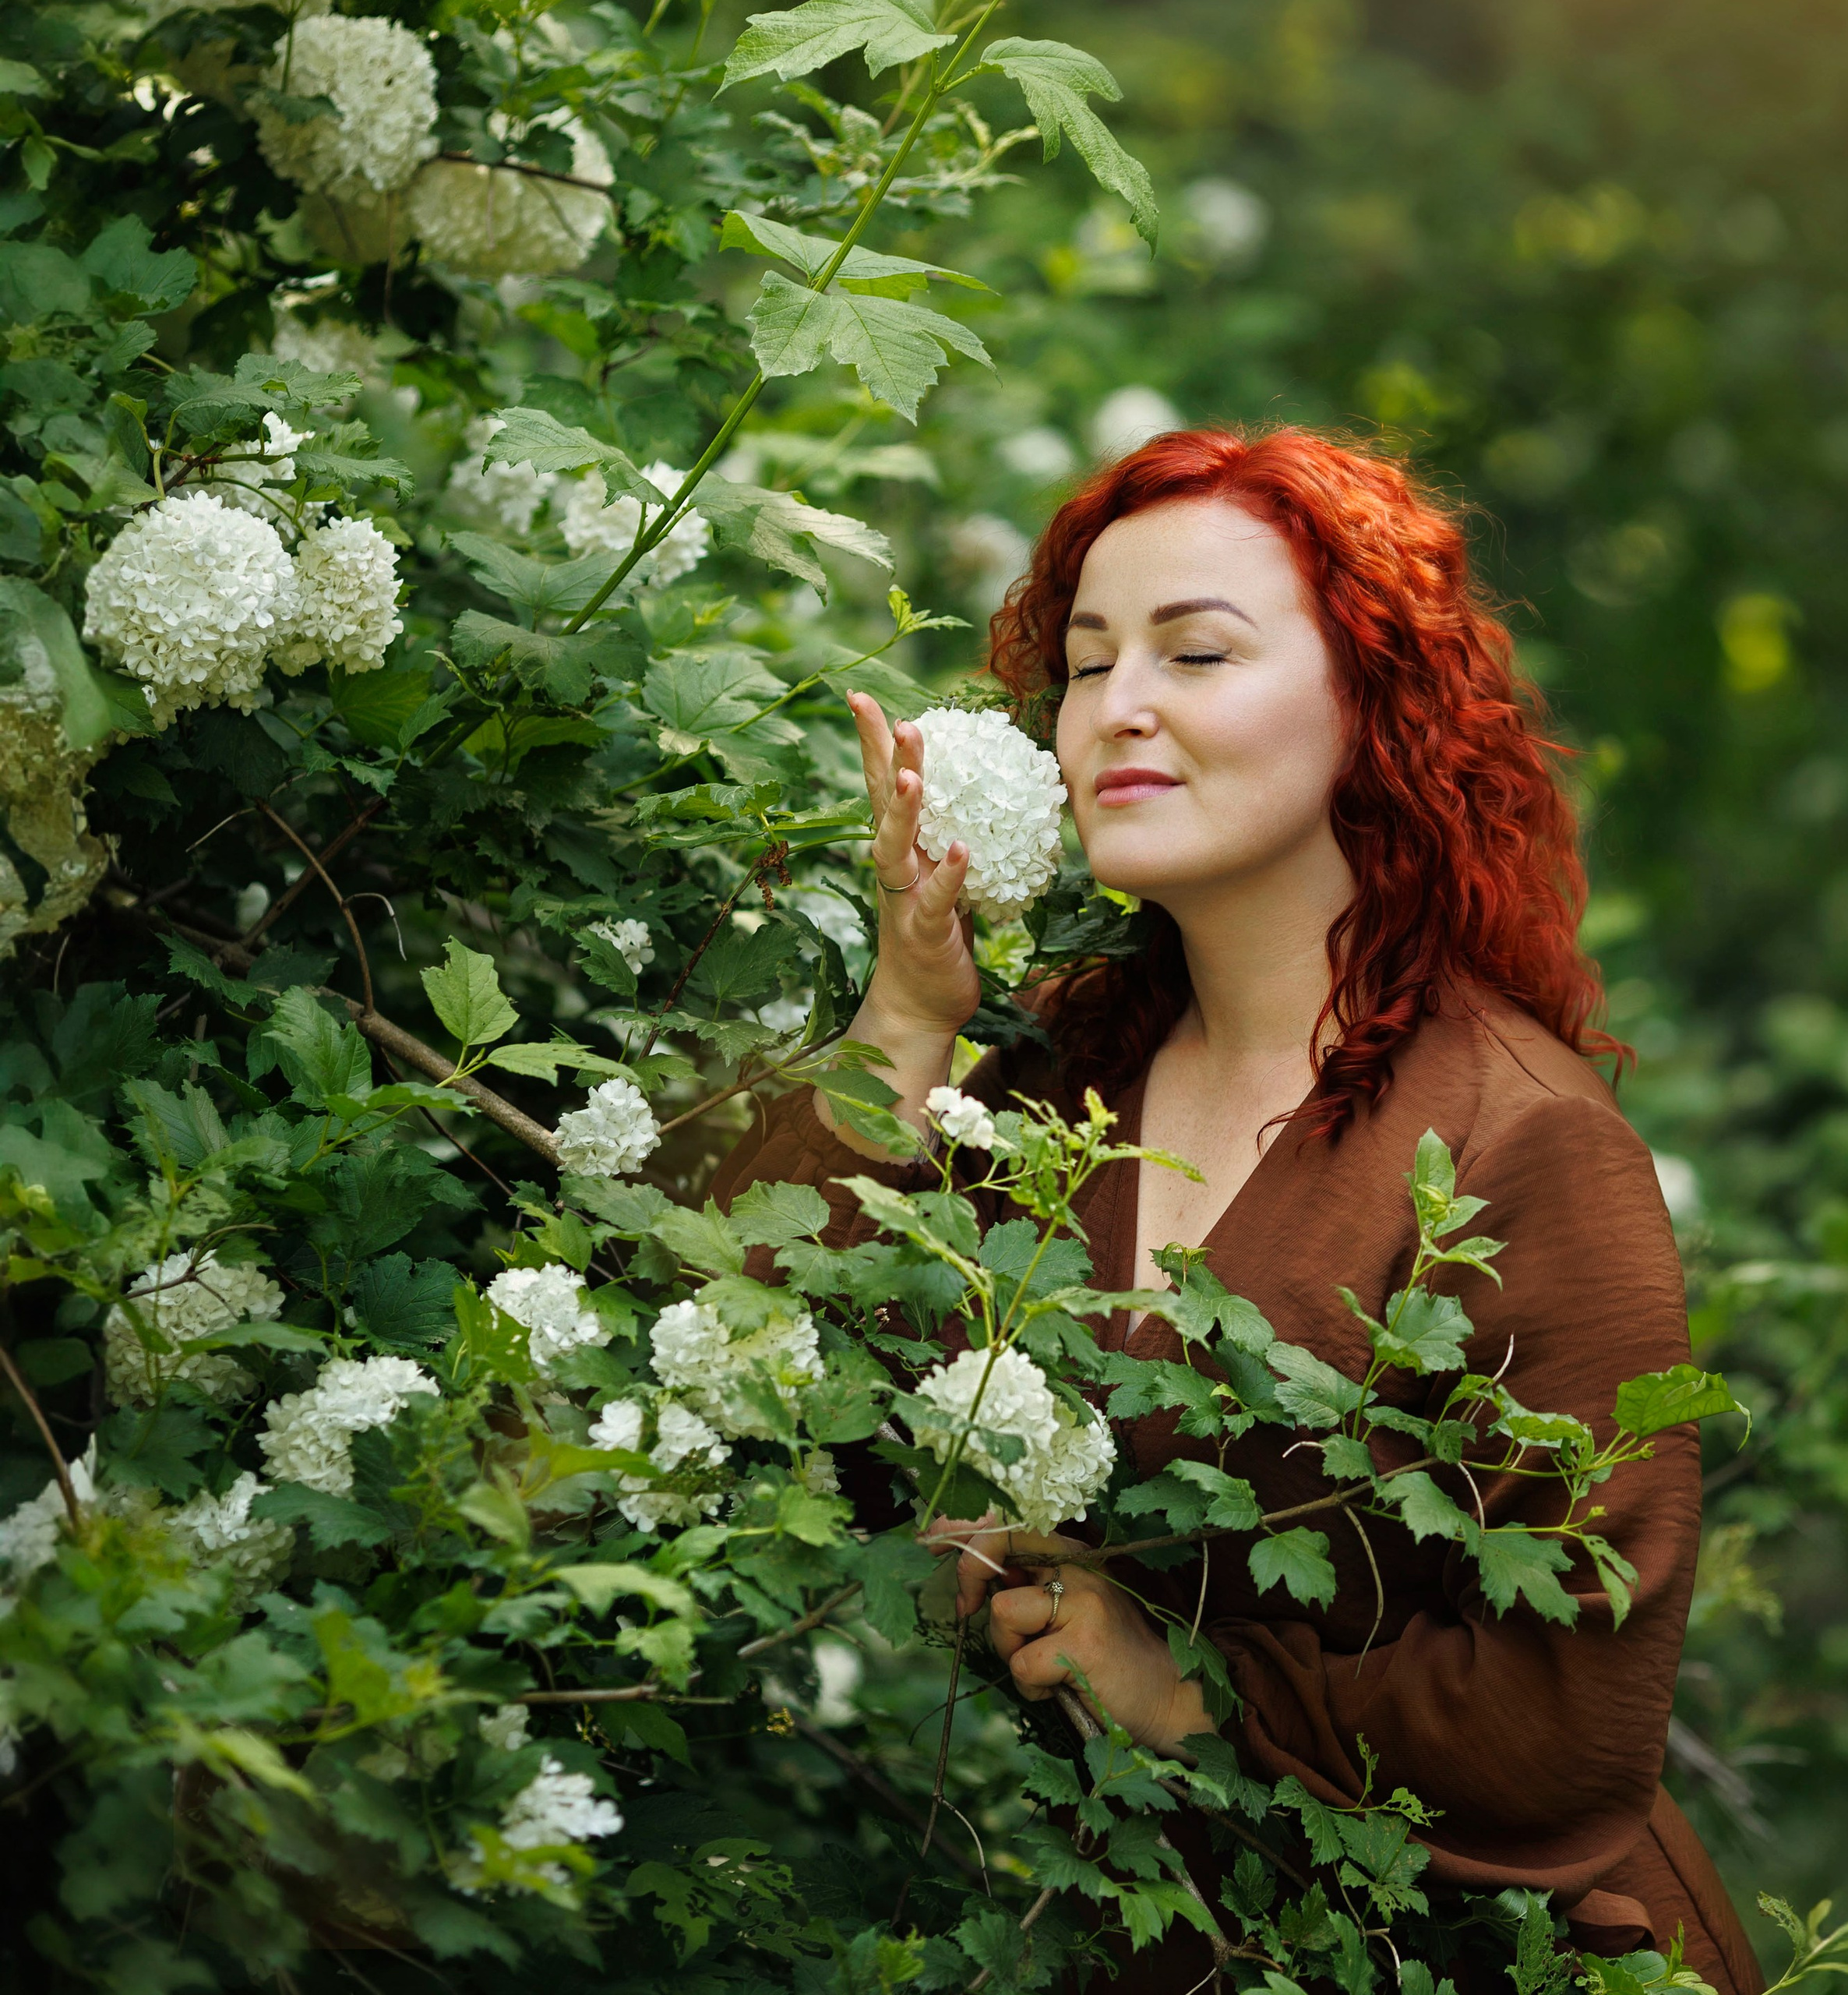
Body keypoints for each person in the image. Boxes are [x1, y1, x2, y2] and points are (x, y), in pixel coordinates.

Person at [711, 427, 1765, 1994]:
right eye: (1083, 662)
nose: (1116, 704)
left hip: (1483, 1958)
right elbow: (727, 1329)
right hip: (1152, 1934)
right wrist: (905, 1011)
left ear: (1368, 704)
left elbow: (1570, 1712)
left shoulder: (1518, 1139)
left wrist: (1190, 1687)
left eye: (1193, 649)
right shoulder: (1065, 1081)